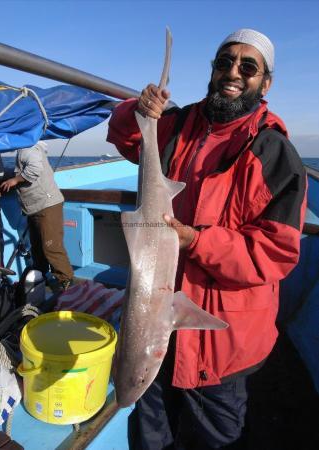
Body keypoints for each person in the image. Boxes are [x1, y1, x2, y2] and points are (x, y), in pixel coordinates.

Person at [107, 29, 307, 449]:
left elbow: (275, 254)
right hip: (154, 325)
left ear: (265, 82)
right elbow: (126, 138)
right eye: (224, 63)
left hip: (220, 344)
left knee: (213, 438)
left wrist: (196, 242)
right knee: (149, 430)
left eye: (247, 66)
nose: (233, 72)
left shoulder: (275, 154)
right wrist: (137, 112)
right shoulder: (178, 124)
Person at [0, 141, 73, 292]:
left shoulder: (28, 148)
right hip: (34, 208)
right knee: (37, 248)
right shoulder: (25, 149)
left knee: (51, 246)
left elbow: (34, 169)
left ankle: (66, 282)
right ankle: (41, 277)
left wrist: (14, 180)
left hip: (46, 205)